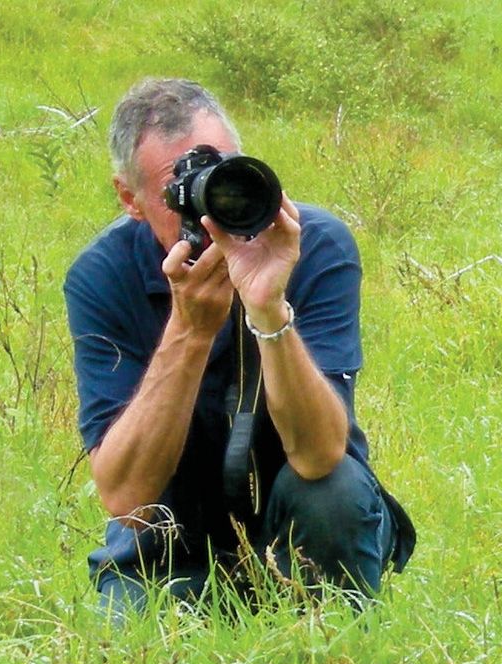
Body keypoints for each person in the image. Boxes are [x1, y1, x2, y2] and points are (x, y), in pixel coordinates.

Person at [65, 78, 413, 613]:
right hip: (172, 542)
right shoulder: (102, 276)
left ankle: (338, 637)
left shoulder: (313, 245)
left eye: (222, 173)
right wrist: (189, 330)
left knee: (335, 493)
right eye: (183, 188)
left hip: (300, 522)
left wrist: (269, 309)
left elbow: (322, 455)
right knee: (133, 648)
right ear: (130, 199)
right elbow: (126, 500)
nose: (213, 207)